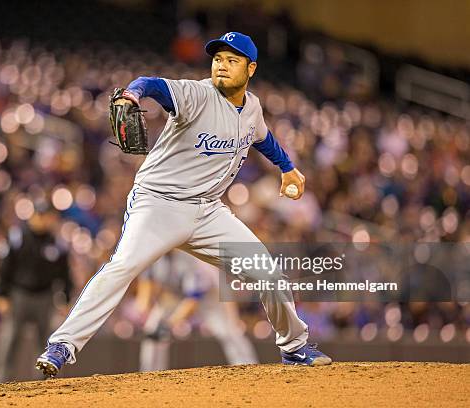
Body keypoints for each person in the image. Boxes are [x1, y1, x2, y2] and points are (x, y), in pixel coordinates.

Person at [36, 31, 332, 378]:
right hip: (158, 204)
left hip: (207, 210)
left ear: (251, 68)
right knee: (122, 267)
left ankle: (294, 347)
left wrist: (287, 167)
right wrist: (133, 93)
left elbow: (263, 138)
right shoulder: (197, 93)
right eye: (218, 58)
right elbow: (153, 84)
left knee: (266, 270)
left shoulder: (252, 107)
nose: (221, 65)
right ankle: (63, 345)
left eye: (232, 60)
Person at [0, 205, 73, 382]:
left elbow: (65, 273)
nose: (43, 220)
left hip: (45, 296)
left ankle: (45, 379)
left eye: (46, 216)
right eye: (40, 215)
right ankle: (1, 379)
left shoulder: (56, 243)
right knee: (11, 338)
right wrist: (1, 294)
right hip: (20, 294)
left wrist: (66, 297)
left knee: (46, 341)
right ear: (32, 215)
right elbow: (5, 269)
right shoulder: (18, 238)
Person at [137, 250, 258, 371]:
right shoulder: (155, 255)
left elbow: (193, 299)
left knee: (228, 331)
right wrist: (145, 311)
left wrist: (170, 324)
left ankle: (248, 369)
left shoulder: (189, 258)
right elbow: (147, 284)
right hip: (176, 295)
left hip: (208, 296)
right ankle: (149, 375)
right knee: (152, 329)